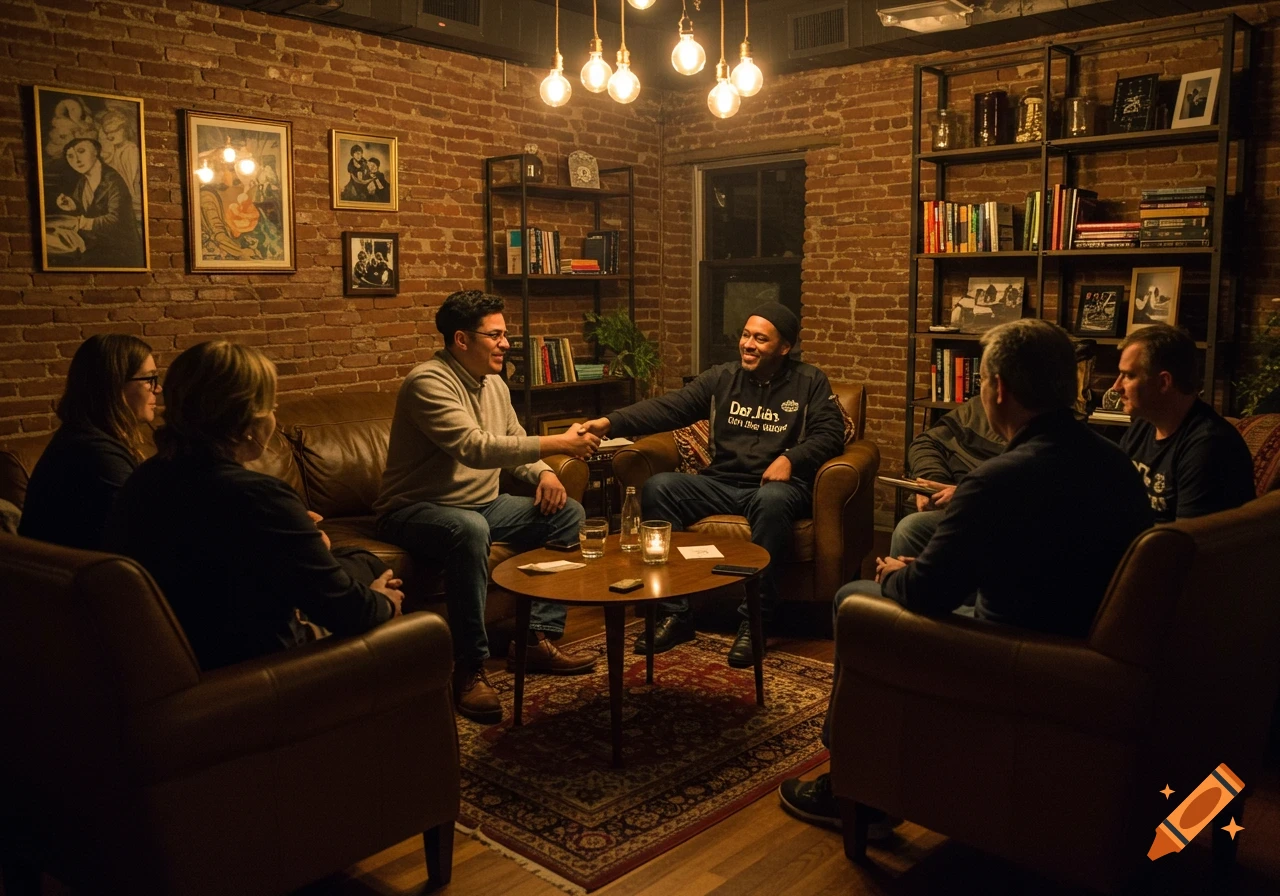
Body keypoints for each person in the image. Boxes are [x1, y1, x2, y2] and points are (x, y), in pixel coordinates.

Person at [778, 319, 1152, 833]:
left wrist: (893, 577)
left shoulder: (997, 480)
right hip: (1085, 640)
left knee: (855, 600)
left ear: (998, 388)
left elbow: (927, 595)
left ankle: (852, 786)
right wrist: (935, 568)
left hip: (1011, 650)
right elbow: (1045, 557)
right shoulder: (1115, 464)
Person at [374, 290, 600, 724]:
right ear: (461, 339)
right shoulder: (428, 383)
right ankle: (469, 666)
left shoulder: (494, 382)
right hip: (414, 510)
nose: (505, 344)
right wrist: (559, 443)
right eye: (494, 335)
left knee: (568, 513)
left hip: (482, 504)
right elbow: (474, 448)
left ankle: (535, 639)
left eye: (504, 334)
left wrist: (545, 473)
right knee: (469, 529)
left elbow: (513, 441)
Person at [107, 340, 403, 671]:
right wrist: (383, 602)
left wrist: (298, 536)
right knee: (385, 591)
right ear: (248, 420)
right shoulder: (258, 497)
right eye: (272, 407)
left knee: (359, 560)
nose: (274, 418)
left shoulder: (143, 479)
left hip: (178, 659)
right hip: (259, 669)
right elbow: (348, 611)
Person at [581, 302, 847, 667]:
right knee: (660, 487)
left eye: (760, 339)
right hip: (721, 482)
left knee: (772, 501)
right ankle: (676, 613)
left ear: (784, 347)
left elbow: (831, 434)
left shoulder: (809, 382)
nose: (748, 344)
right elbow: (669, 408)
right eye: (745, 335)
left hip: (775, 489)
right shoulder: (722, 377)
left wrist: (791, 459)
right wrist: (610, 423)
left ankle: (754, 622)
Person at [19, 334, 159, 550]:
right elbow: (145, 534)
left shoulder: (86, 438)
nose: (157, 388)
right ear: (114, 385)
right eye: (149, 379)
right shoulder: (95, 454)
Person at [1113, 324, 1255, 522]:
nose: (1116, 386)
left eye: (1129, 375)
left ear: (1164, 382)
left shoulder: (1209, 446)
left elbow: (1186, 538)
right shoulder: (1143, 427)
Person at [888, 395, 1004, 560]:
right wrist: (933, 481)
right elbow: (926, 442)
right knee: (909, 529)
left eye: (985, 382)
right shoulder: (978, 407)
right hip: (959, 497)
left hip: (988, 512)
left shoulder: (1033, 437)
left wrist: (964, 494)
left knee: (910, 529)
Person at [51, 137, 142, 267]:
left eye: (81, 151)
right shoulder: (83, 182)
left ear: (96, 152)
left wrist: (81, 222)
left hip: (120, 249)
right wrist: (73, 206)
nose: (76, 160)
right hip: (96, 244)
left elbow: (116, 220)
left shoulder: (113, 181)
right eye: (70, 156)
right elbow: (88, 210)